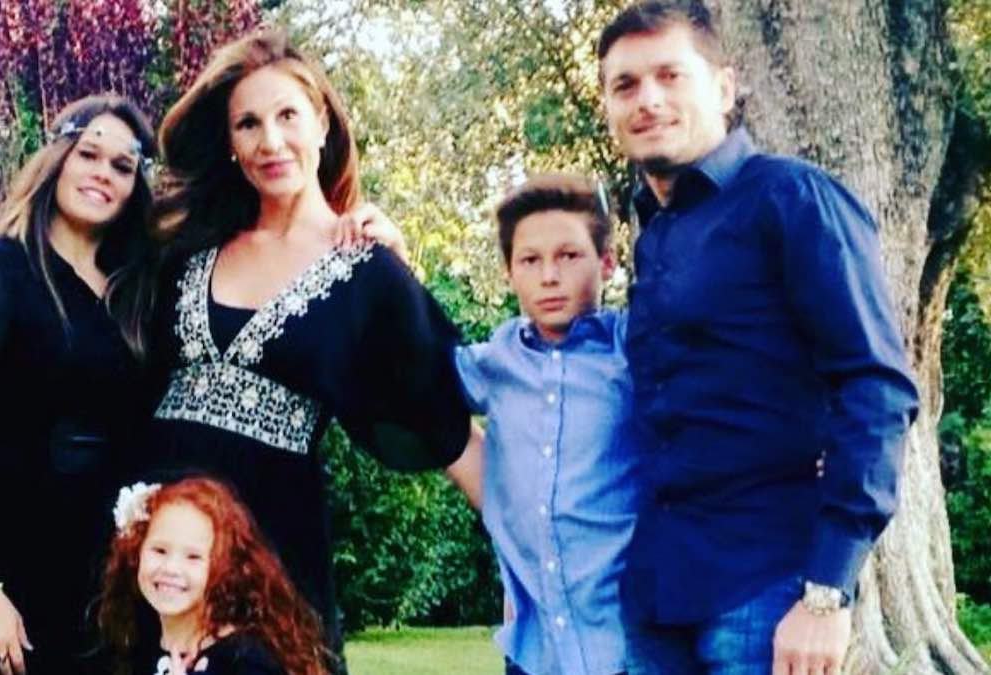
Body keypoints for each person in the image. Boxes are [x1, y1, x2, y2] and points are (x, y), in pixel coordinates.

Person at [117, 28, 481, 654]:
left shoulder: (368, 272)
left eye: (287, 115)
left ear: (321, 124)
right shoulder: (187, 249)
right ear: (230, 143)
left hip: (272, 552)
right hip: (162, 557)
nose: (271, 141)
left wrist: (548, 553)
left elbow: (449, 426)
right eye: (248, 124)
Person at [596, 1, 920, 673]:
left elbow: (876, 389)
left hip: (767, 587)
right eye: (625, 84)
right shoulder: (653, 235)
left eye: (670, 76)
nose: (647, 99)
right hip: (657, 594)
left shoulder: (793, 198)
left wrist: (827, 592)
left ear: (723, 87)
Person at [0, 94, 158, 675]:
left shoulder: (138, 293)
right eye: (88, 154)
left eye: (122, 165)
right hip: (13, 568)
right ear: (58, 159)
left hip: (112, 578)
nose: (103, 173)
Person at [452, 173, 639, 675]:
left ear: (607, 263)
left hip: (629, 646)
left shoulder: (633, 352)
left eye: (569, 256)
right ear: (509, 272)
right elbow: (410, 371)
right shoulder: (496, 361)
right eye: (530, 260)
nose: (549, 276)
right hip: (535, 654)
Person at [98, 476, 331, 675]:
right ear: (136, 552)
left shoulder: (246, 661)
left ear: (225, 568)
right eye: (159, 550)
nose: (171, 568)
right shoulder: (135, 647)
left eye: (193, 557)